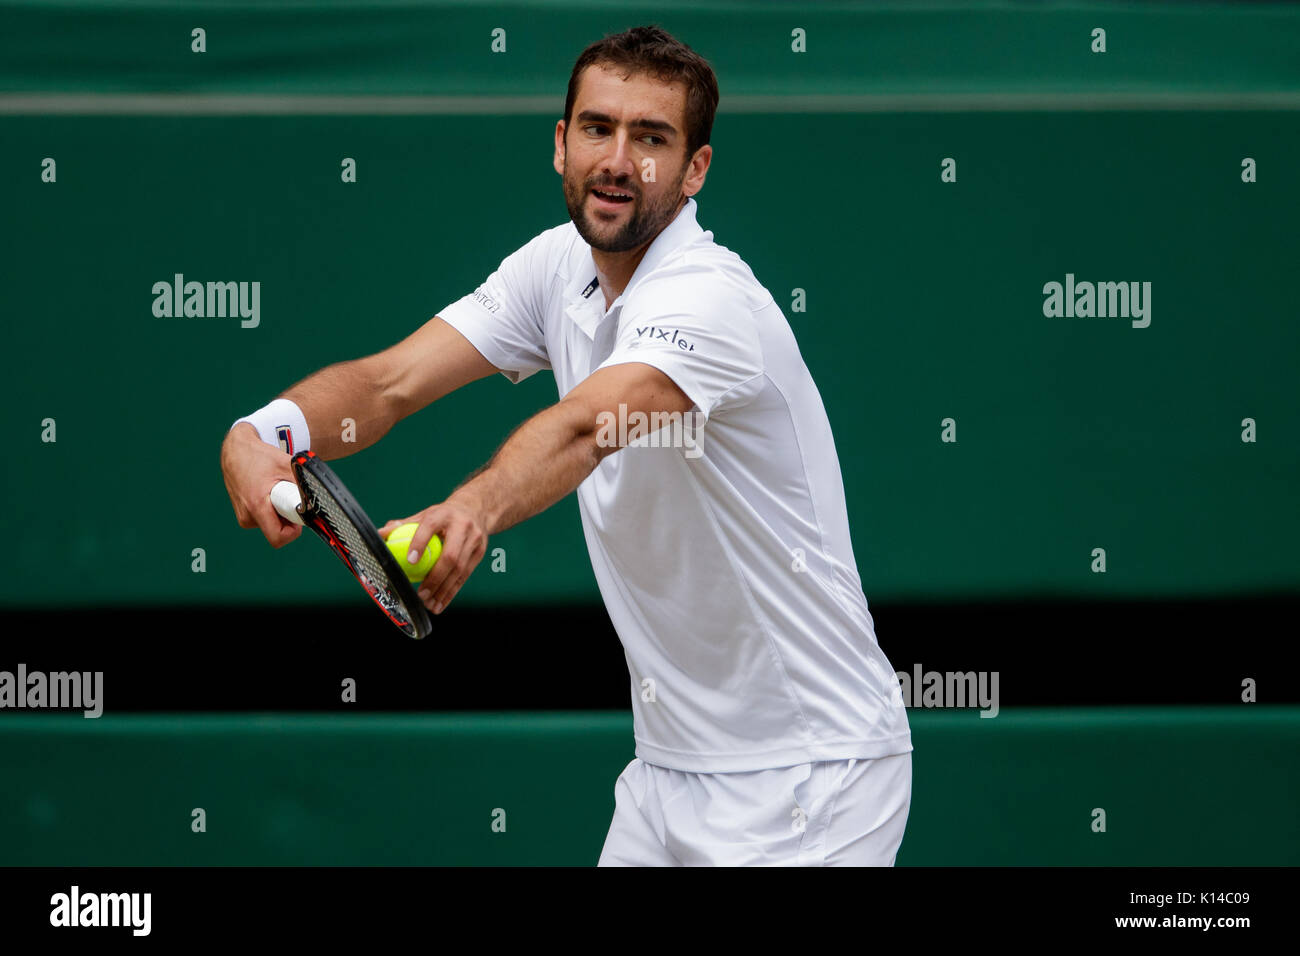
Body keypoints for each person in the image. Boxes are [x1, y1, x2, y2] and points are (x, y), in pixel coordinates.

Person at [221, 24, 912, 866]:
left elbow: (589, 427)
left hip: (811, 777)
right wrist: (263, 432)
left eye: (651, 138)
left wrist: (473, 508)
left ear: (695, 170)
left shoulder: (713, 300)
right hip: (666, 775)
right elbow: (387, 385)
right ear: (560, 144)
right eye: (597, 128)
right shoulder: (556, 268)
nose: (618, 160)